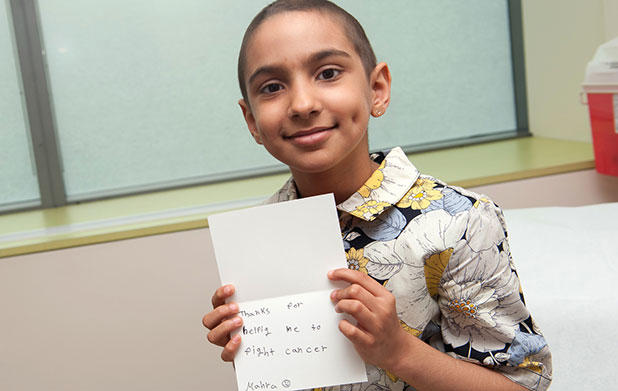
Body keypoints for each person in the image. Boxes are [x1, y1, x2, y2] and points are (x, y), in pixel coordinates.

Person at [202, 1, 552, 390]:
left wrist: (398, 351)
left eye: (328, 73)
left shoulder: (462, 223)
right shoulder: (259, 238)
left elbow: (522, 385)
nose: (302, 104)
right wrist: (253, 351)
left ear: (377, 89)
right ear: (252, 120)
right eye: (272, 87)